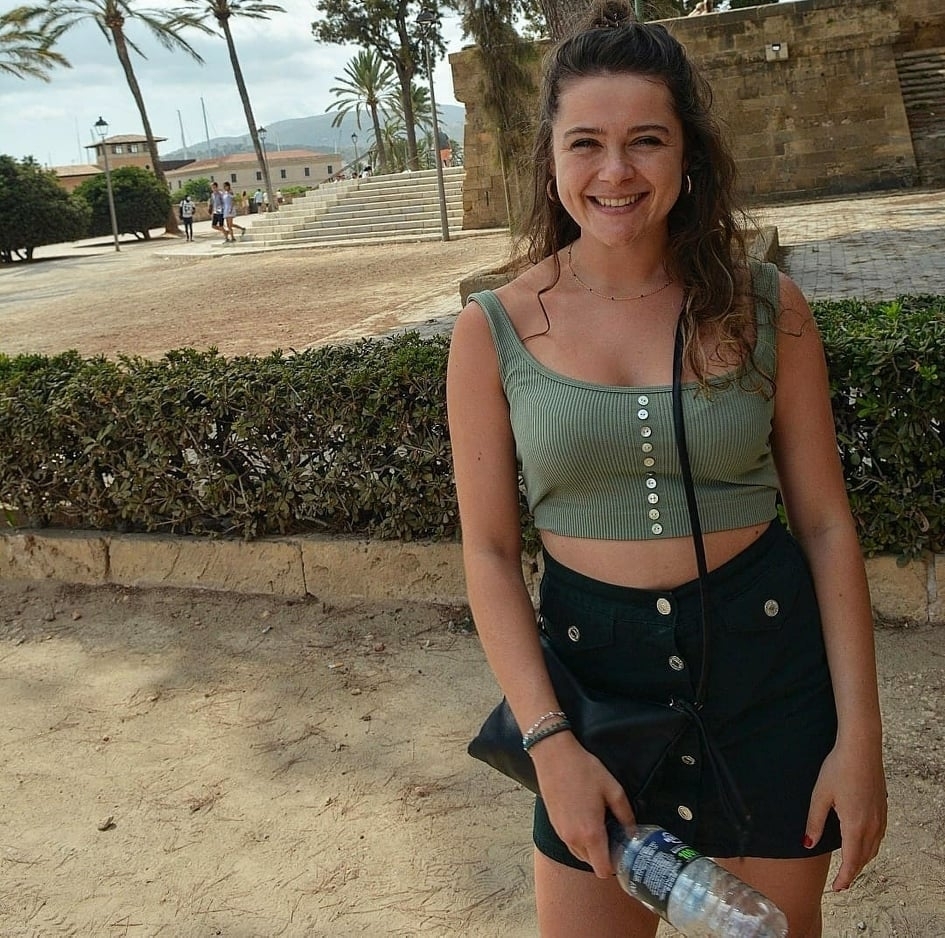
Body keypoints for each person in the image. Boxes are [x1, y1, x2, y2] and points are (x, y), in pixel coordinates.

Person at [445, 4, 887, 937]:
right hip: (591, 695)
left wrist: (859, 739)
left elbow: (823, 525)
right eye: (586, 143)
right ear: (550, 159)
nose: (615, 172)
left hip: (769, 678)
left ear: (689, 155)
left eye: (645, 140)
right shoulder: (491, 330)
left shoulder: (766, 306)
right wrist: (549, 744)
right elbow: (486, 553)